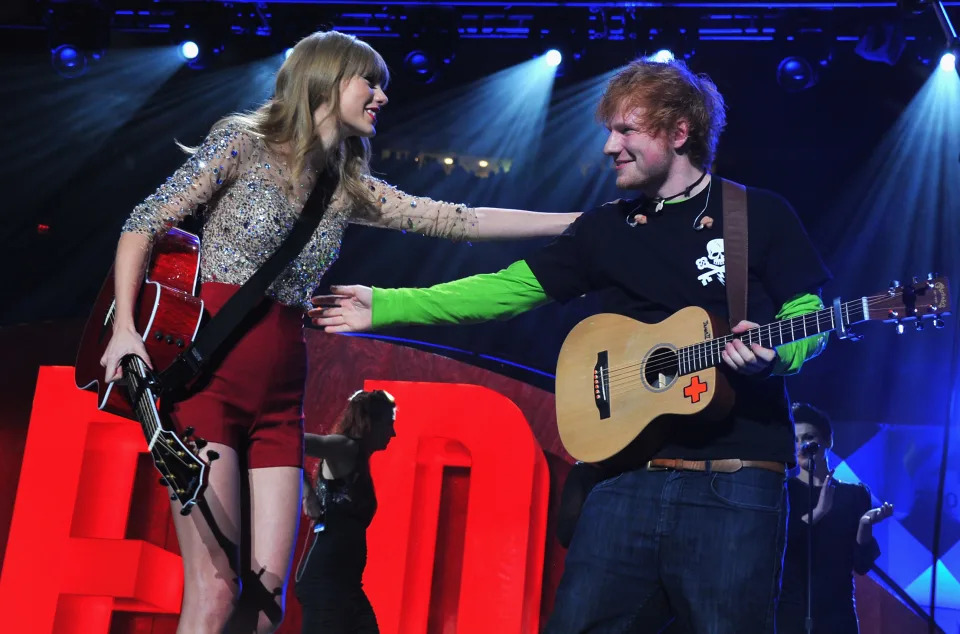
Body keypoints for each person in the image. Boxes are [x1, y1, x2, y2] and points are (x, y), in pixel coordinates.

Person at [309, 56, 834, 632]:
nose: (610, 147)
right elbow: (505, 290)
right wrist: (387, 304)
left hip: (734, 485)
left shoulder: (757, 214)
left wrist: (778, 353)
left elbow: (810, 314)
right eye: (609, 131)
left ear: (679, 132)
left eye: (626, 130)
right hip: (621, 476)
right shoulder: (605, 227)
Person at [98, 30, 579, 634]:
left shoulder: (347, 184)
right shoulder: (242, 144)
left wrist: (579, 223)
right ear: (326, 78)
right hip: (208, 380)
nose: (381, 96)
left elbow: (461, 219)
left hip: (280, 395)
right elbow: (144, 220)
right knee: (216, 588)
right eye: (369, 81)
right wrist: (126, 333)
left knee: (268, 603)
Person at [777, 402, 894, 634]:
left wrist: (864, 526)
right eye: (796, 439)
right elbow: (781, 545)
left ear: (827, 440)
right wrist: (818, 511)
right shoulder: (784, 491)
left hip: (838, 615)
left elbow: (862, 565)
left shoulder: (855, 494)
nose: (802, 446)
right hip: (792, 612)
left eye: (809, 437)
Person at [294, 389, 397, 633]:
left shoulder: (359, 457)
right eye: (389, 424)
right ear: (372, 422)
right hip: (326, 585)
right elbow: (293, 441)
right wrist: (307, 493)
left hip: (346, 586)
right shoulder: (345, 447)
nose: (393, 433)